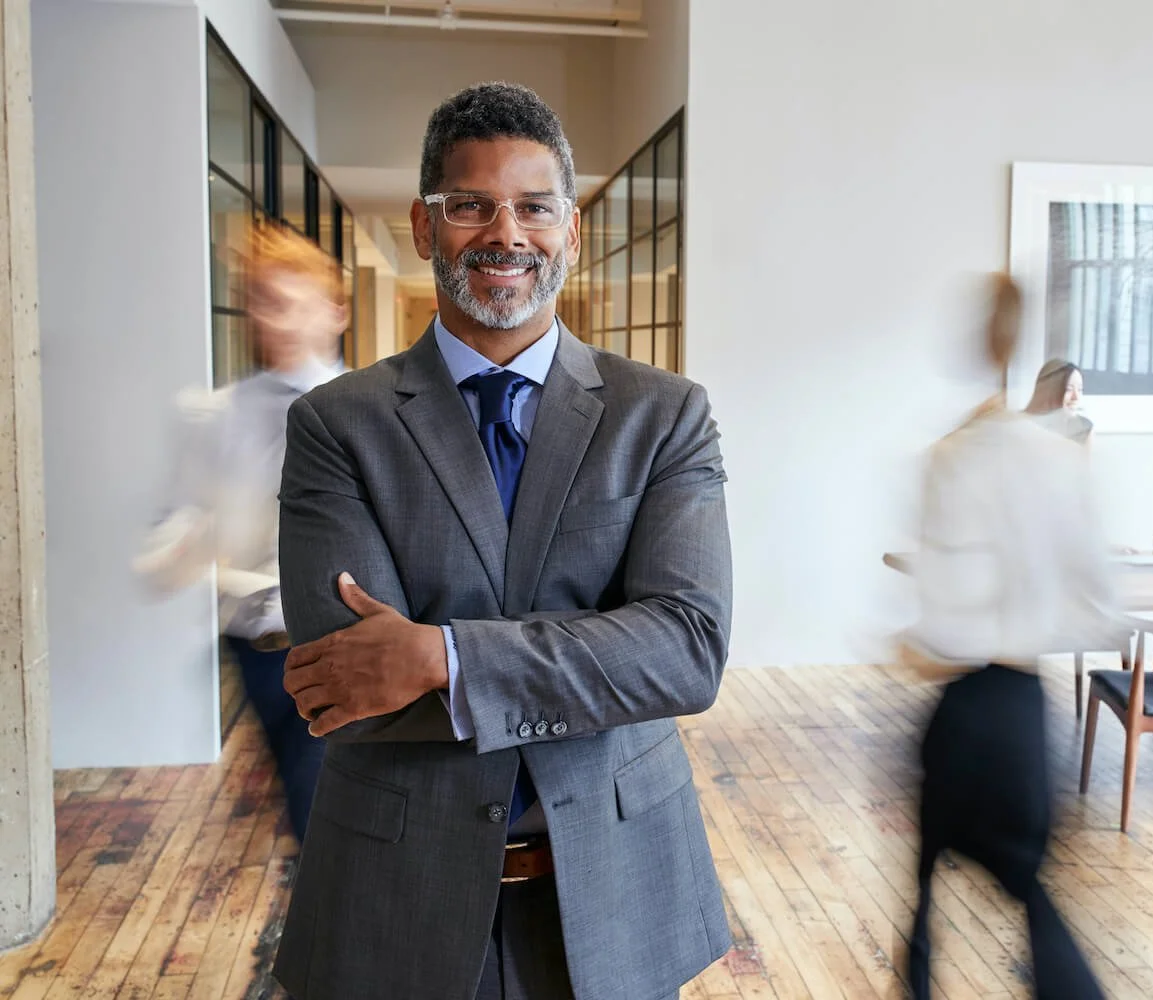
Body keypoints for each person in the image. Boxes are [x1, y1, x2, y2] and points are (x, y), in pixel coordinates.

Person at [270, 83, 733, 1000]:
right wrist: (600, 651)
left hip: (616, 882)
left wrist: (440, 654)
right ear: (423, 225)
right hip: (401, 889)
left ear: (571, 230)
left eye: (533, 207)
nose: (504, 233)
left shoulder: (664, 417)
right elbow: (347, 687)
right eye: (470, 205)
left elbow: (685, 652)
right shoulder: (335, 425)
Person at [903, 274, 1111, 1000]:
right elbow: (1096, 586)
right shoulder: (1057, 457)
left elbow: (946, 618)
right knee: (1021, 882)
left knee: (933, 880)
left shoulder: (953, 455)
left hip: (969, 706)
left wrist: (917, 643)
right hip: (1022, 705)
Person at [134, 223, 342, 843]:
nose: (272, 317)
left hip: (339, 647)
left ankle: (328, 931)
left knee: (320, 818)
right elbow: (178, 521)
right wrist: (176, 550)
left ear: (332, 311)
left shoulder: (368, 410)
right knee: (305, 819)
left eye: (288, 300)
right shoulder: (216, 415)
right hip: (256, 651)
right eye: (261, 301)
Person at [1024, 358, 1092, 444]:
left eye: (1080, 389)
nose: (1075, 397)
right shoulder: (1023, 426)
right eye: (1068, 389)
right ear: (1049, 391)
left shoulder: (1084, 428)